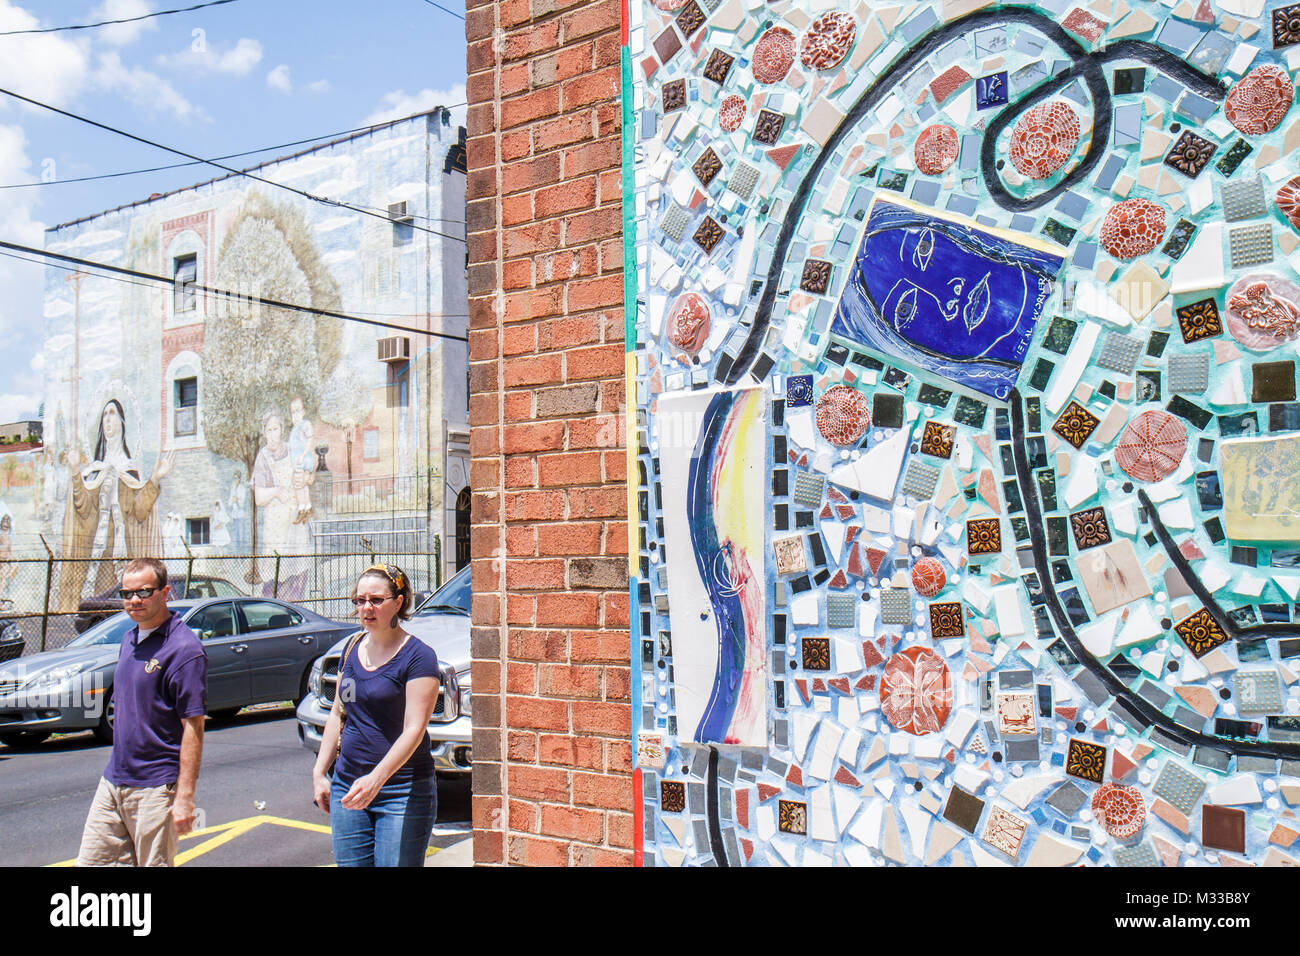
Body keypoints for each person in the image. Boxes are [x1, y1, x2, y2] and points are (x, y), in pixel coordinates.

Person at [76, 557, 207, 866]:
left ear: (164, 593)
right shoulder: (129, 639)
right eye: (127, 593)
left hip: (155, 787)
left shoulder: (184, 649)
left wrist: (184, 798)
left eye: (144, 592)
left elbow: (194, 726)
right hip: (114, 781)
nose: (134, 600)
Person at [311, 563, 440, 866]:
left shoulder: (419, 656)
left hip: (401, 790)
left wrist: (376, 780)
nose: (366, 608)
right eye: (360, 600)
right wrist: (320, 773)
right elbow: (338, 714)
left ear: (398, 602)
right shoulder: (352, 648)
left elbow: (414, 730)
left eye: (376, 600)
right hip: (349, 786)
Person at [59, 399, 173, 611]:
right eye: (104, 415)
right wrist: (75, 471)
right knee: (100, 602)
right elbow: (83, 506)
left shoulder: (129, 469)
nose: (108, 420)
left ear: (122, 421)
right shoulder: (95, 469)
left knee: (128, 600)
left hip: (125, 550)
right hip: (100, 551)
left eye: (112, 413)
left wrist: (155, 478)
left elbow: (139, 510)